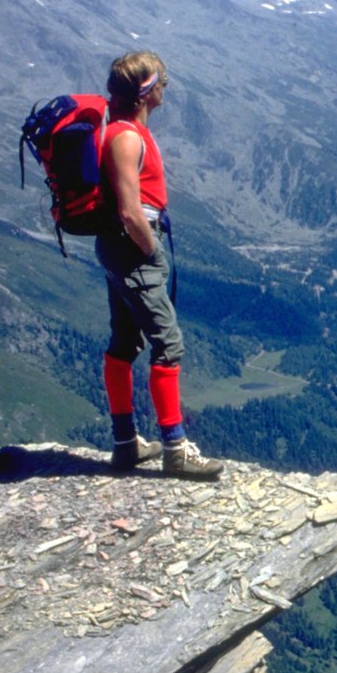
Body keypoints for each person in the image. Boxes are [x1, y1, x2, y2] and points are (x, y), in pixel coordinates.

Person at [97, 49, 223, 480]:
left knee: (124, 342)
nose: (164, 90)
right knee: (168, 345)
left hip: (119, 249)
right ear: (147, 92)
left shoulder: (121, 131)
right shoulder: (128, 137)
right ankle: (174, 450)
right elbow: (131, 211)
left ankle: (126, 444)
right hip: (133, 248)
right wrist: (151, 250)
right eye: (161, 84)